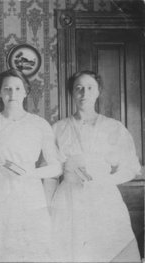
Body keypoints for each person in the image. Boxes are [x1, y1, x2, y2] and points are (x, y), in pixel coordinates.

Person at [51, 70, 141, 262]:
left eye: (90, 88)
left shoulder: (113, 127)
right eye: (79, 88)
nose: (84, 93)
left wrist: (105, 181)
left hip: (103, 198)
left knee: (107, 248)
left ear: (98, 91)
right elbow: (52, 170)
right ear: (72, 93)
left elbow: (130, 167)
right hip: (69, 199)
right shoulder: (59, 128)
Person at [0, 68, 62, 262]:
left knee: (29, 244)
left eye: (17, 88)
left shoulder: (39, 124)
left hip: (29, 190)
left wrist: (31, 173)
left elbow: (56, 167)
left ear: (25, 92)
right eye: (7, 89)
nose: (12, 94)